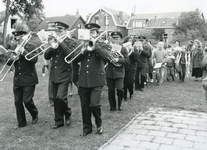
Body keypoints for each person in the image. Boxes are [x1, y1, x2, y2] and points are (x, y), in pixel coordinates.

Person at [74, 23, 109, 136]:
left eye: (92, 32)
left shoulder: (103, 44)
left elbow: (105, 57)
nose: (90, 35)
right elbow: (74, 59)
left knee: (94, 105)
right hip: (84, 80)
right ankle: (87, 128)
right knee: (84, 106)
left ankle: (99, 124)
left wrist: (95, 46)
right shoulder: (82, 45)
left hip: (97, 80)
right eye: (89, 33)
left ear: (98, 34)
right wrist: (84, 50)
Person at [44, 21, 75, 129]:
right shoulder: (54, 42)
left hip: (65, 74)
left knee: (60, 97)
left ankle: (68, 113)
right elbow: (46, 56)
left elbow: (70, 55)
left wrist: (61, 42)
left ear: (65, 31)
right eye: (57, 30)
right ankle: (58, 121)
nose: (58, 32)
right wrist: (51, 46)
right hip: (54, 75)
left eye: (60, 30)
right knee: (56, 99)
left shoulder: (71, 42)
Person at [7, 30, 39, 128]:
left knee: (27, 101)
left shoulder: (31, 46)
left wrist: (23, 51)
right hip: (17, 79)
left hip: (29, 78)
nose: (17, 41)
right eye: (16, 39)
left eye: (19, 38)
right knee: (17, 102)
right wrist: (12, 55)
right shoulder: (13, 48)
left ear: (24, 37)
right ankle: (21, 122)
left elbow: (34, 59)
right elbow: (8, 63)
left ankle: (34, 113)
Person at [106, 31, 129, 111]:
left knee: (120, 89)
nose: (115, 40)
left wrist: (118, 59)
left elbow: (127, 60)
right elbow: (103, 58)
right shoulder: (108, 48)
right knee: (111, 90)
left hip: (119, 72)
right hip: (110, 72)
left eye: (117, 38)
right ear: (111, 39)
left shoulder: (123, 49)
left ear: (120, 39)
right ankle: (112, 106)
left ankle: (120, 103)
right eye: (114, 38)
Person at [122, 36, 138, 101]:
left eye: (131, 41)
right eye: (128, 41)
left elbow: (136, 59)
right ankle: (124, 96)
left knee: (130, 82)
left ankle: (131, 92)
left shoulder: (134, 48)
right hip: (124, 67)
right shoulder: (123, 48)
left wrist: (132, 51)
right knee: (124, 82)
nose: (129, 42)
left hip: (131, 68)